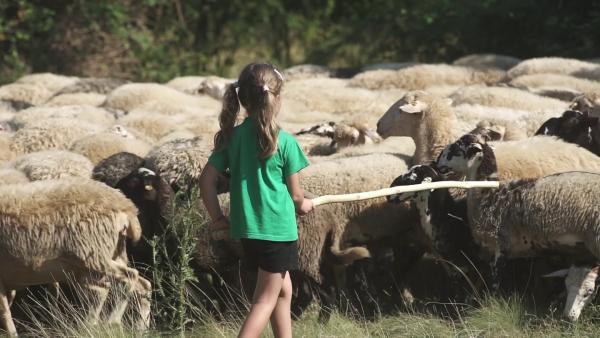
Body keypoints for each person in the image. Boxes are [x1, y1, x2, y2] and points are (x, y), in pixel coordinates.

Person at [200, 62, 313, 338]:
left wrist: (217, 219)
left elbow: (206, 181)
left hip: (248, 231)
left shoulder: (232, 138)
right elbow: (297, 198)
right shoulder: (285, 142)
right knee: (264, 301)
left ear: (242, 98)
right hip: (277, 232)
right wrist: (305, 204)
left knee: (283, 290)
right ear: (278, 98)